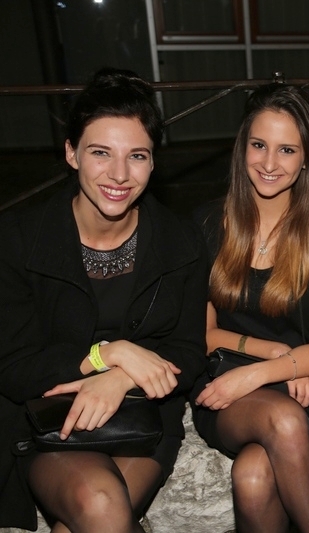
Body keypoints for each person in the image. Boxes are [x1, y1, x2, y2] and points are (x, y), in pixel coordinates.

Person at [0, 68, 208, 531]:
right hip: (51, 423)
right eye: (100, 153)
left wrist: (119, 376)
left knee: (92, 515)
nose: (119, 174)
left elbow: (189, 353)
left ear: (153, 163)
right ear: (71, 153)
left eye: (137, 156)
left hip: (142, 420)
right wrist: (106, 354)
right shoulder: (19, 240)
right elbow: (13, 368)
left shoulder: (181, 241)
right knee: (98, 503)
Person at [191, 83, 309, 533]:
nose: (269, 163)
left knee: (253, 477)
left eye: (287, 150)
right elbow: (204, 334)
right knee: (282, 421)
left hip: (303, 388)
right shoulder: (208, 223)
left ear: (306, 160)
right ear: (243, 146)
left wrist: (271, 370)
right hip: (226, 383)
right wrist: (272, 356)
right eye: (259, 145)